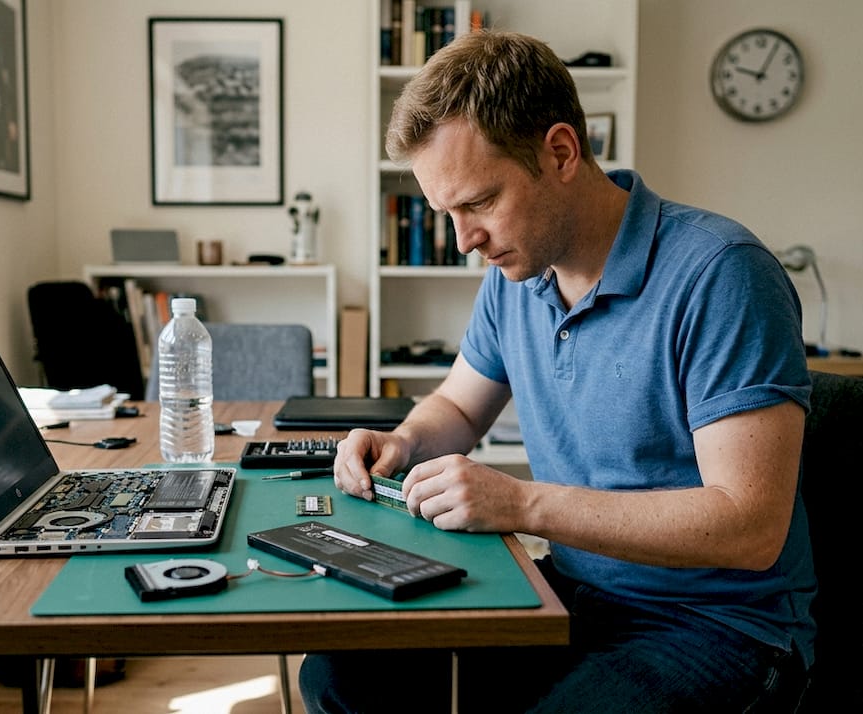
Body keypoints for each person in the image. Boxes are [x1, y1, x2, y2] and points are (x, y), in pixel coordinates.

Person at [299, 30, 815, 714]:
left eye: (478, 203)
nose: (463, 240)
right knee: (339, 675)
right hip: (575, 598)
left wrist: (520, 502)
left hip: (719, 627)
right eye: (445, 213)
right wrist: (402, 442)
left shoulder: (722, 274)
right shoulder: (517, 275)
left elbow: (750, 526)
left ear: (562, 152)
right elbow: (457, 408)